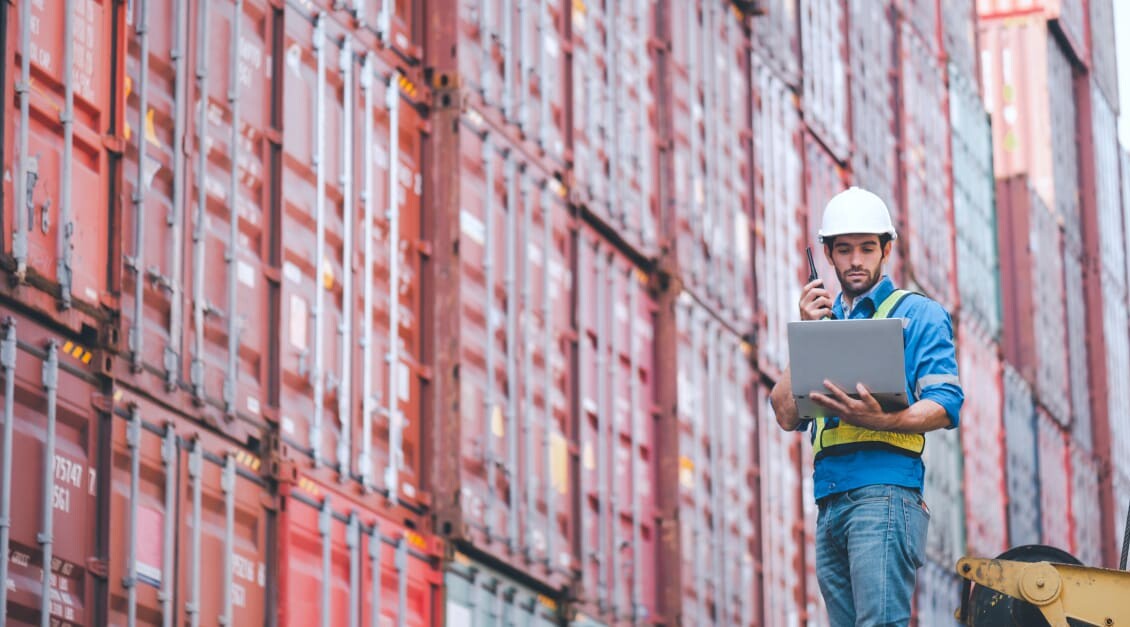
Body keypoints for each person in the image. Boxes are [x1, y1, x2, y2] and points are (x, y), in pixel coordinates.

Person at [769, 186, 964, 626]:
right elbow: (784, 413)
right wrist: (805, 332)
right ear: (827, 255)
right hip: (830, 500)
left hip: (885, 494)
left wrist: (883, 419)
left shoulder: (919, 315)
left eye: (866, 248)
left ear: (886, 250)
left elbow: (946, 405)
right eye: (844, 250)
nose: (855, 260)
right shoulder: (822, 323)